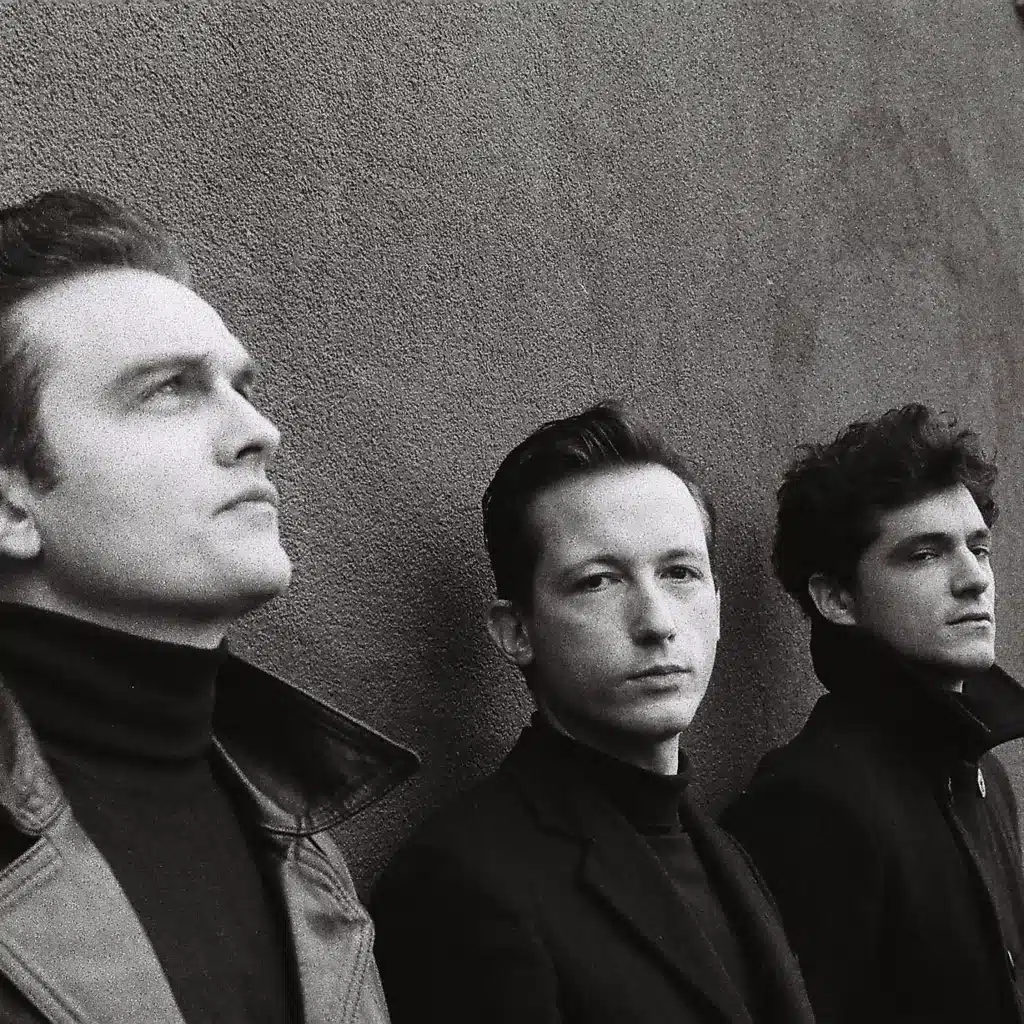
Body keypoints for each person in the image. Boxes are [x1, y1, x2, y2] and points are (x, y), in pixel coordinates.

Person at [0, 188, 416, 1023]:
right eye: (168, 390)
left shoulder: (306, 850)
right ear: (11, 506)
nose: (260, 431)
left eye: (240, 385)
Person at [371, 402, 815, 1024]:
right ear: (516, 631)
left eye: (680, 573)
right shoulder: (460, 882)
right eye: (599, 581)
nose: (657, 622)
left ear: (717, 605)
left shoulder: (727, 855)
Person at [722, 404, 1024, 1024]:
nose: (974, 579)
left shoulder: (984, 774)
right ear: (837, 598)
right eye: (925, 554)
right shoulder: (808, 800)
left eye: (979, 548)